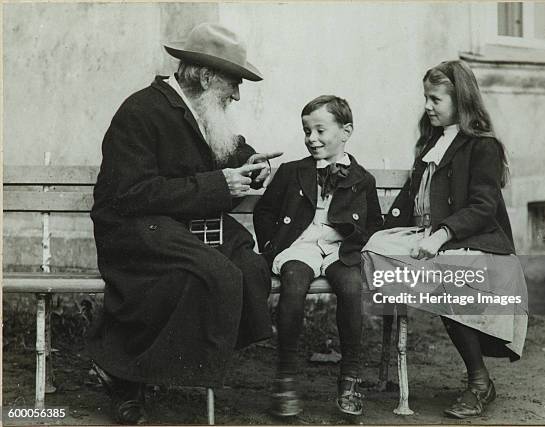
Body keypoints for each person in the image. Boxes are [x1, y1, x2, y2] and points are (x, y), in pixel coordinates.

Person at [88, 23, 281, 424]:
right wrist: (217, 185)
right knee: (213, 275)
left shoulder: (203, 109)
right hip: (135, 230)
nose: (237, 95)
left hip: (186, 223)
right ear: (206, 77)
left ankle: (156, 367)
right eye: (234, 83)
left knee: (249, 268)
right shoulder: (141, 110)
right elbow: (127, 195)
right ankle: (126, 377)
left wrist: (253, 165)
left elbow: (231, 152)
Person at [362, 60, 528, 418]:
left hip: (476, 240)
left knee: (450, 278)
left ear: (461, 100)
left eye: (435, 98)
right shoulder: (431, 143)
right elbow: (410, 200)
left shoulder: (482, 146)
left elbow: (483, 206)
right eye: (426, 97)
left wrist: (442, 233)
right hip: (430, 237)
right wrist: (379, 230)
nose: (427, 105)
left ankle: (479, 382)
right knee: (373, 249)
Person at [253, 95, 383, 417]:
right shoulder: (291, 171)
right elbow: (265, 211)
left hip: (339, 248)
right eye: (306, 131)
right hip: (300, 244)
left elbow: (374, 223)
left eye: (320, 130)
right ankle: (286, 377)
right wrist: (273, 246)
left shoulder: (362, 179)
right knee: (294, 282)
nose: (312, 139)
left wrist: (357, 246)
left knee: (351, 288)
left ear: (345, 131)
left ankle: (349, 379)